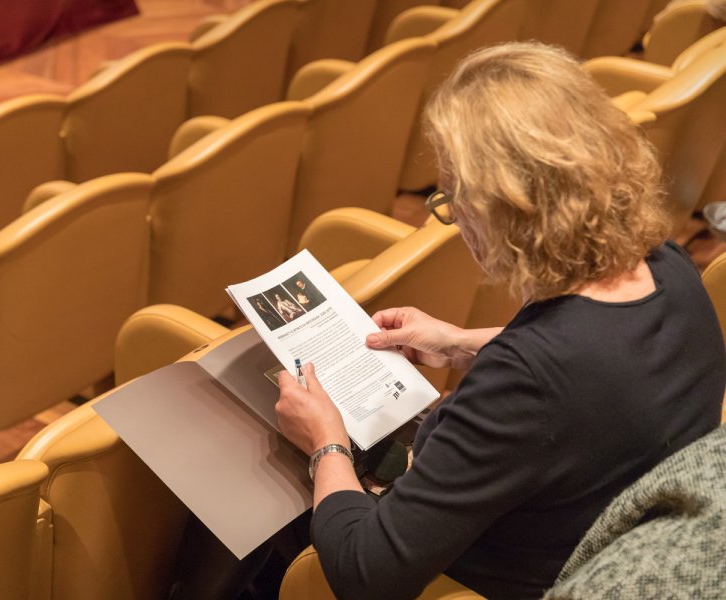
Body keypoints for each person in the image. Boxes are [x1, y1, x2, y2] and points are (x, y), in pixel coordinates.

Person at [275, 42, 725, 600]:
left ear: (503, 208)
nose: (452, 216)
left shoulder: (527, 378)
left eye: (454, 198)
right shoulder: (670, 265)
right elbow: (602, 357)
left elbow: (365, 575)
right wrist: (460, 342)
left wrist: (325, 441)